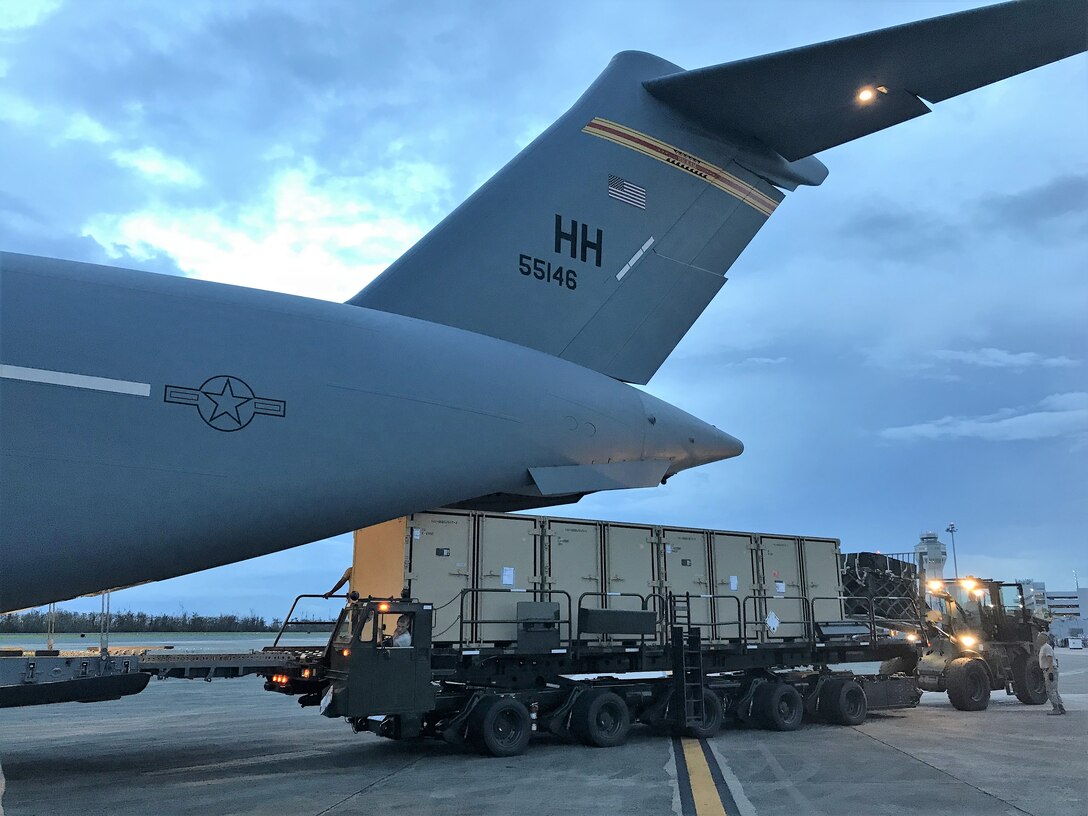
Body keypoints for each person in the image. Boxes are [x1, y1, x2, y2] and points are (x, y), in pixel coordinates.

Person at [1037, 631, 1066, 715]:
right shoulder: (1044, 647)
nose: (1037, 640)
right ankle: (1061, 708)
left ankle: (1056, 709)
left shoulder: (1046, 647)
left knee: (1050, 691)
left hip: (1049, 670)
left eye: (1039, 638)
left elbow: (1049, 659)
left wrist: (1050, 672)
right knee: (1054, 690)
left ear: (1043, 639)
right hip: (1048, 670)